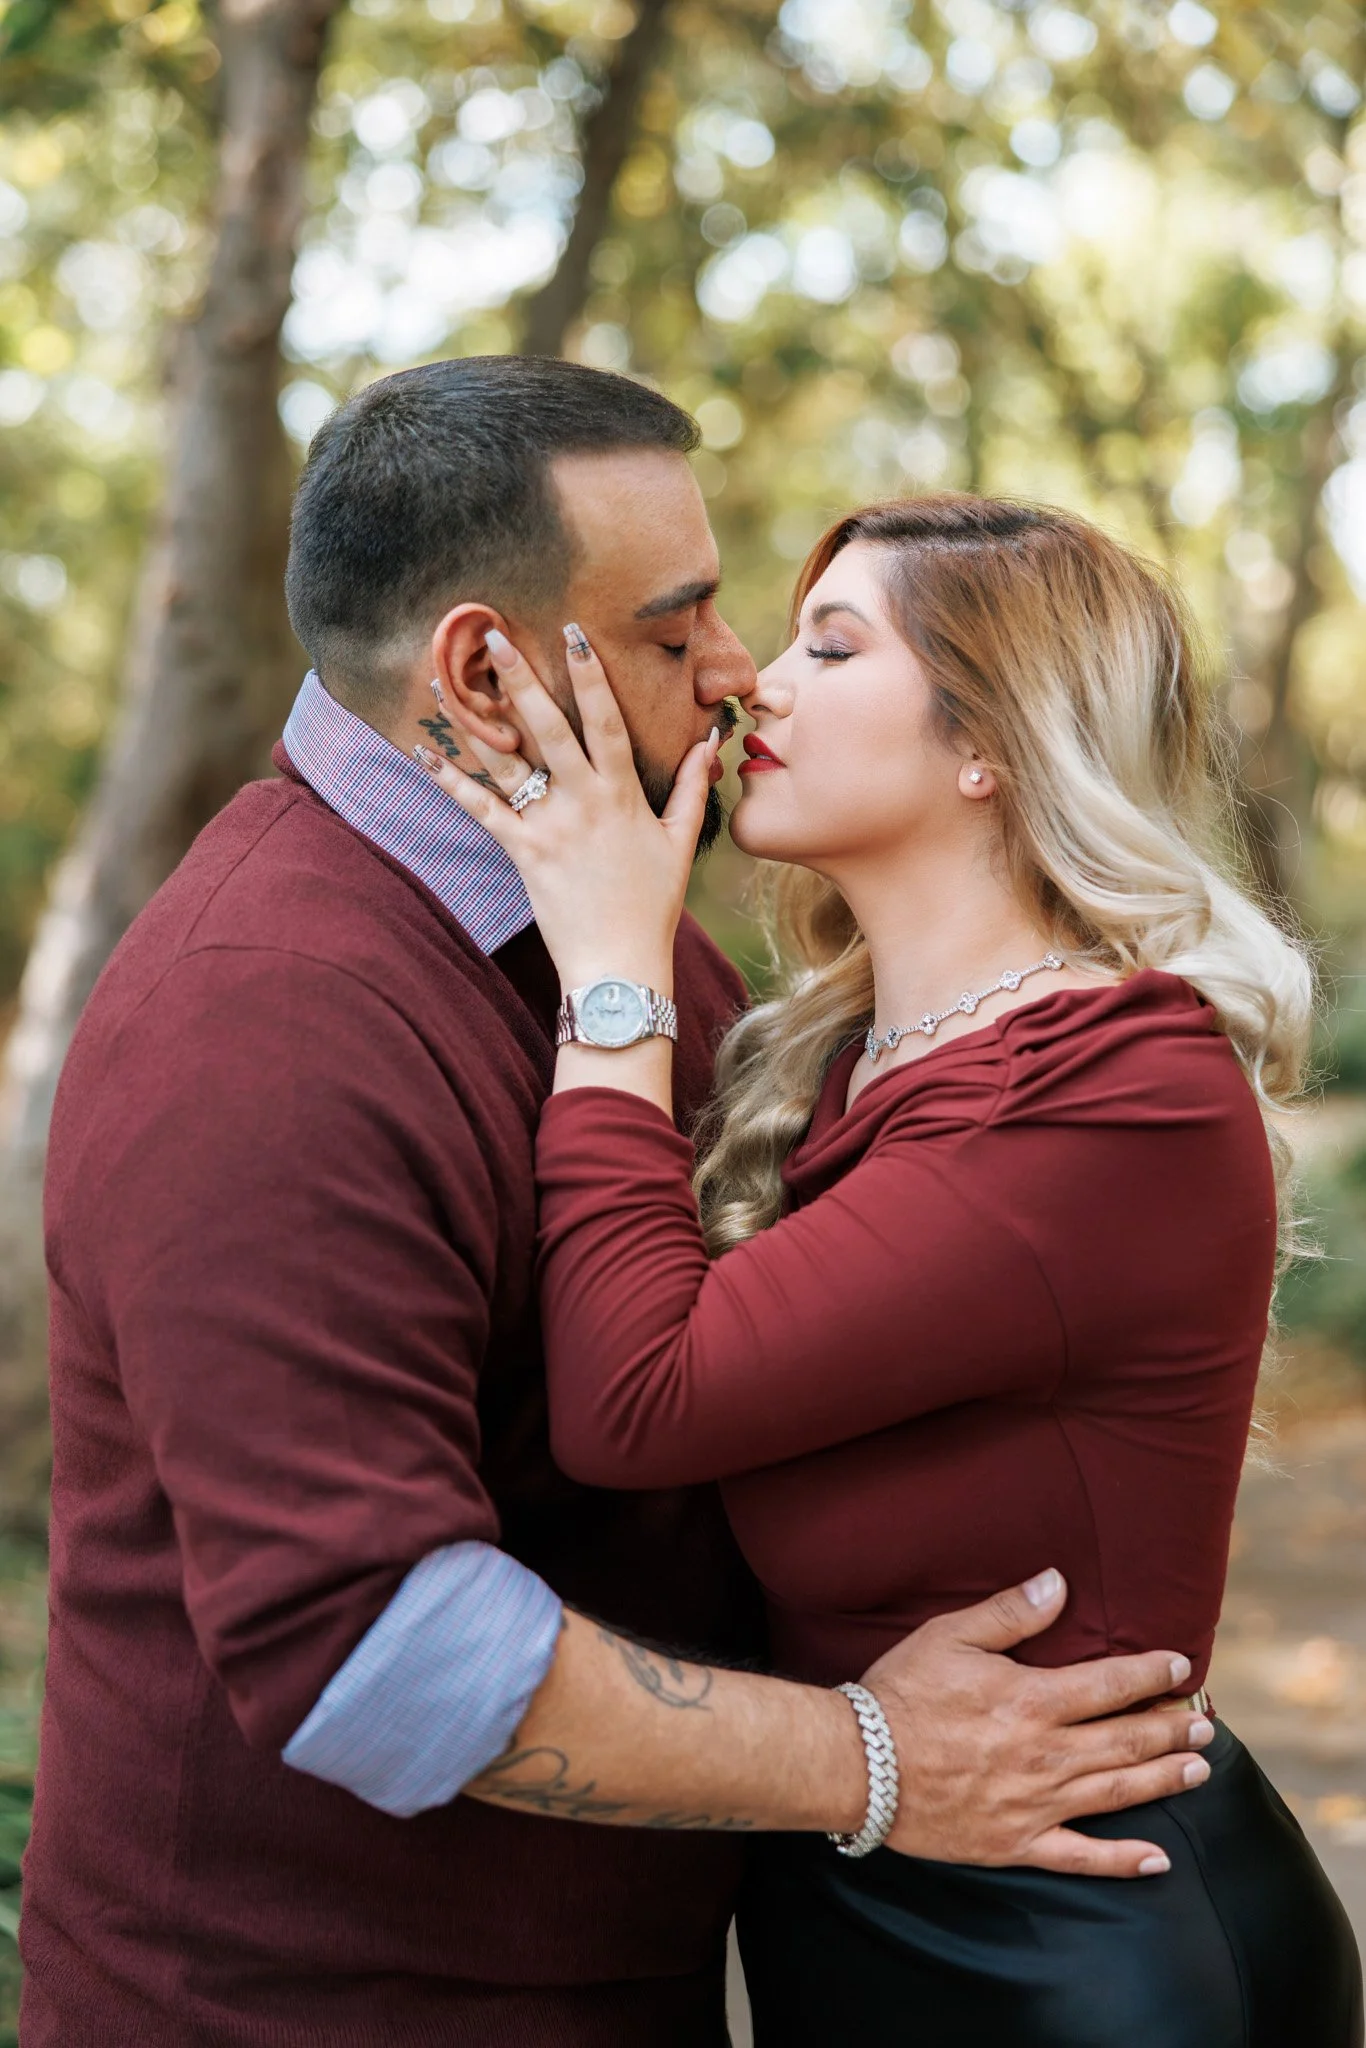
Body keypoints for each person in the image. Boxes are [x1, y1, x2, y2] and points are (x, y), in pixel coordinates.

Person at [22, 362, 1211, 2048]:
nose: (736, 675)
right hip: (310, 2012)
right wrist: (874, 1761)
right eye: (680, 630)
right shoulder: (266, 1018)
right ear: (482, 670)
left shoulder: (622, 936)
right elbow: (377, 1651)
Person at [421, 489, 1365, 2047]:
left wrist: (607, 980)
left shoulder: (1111, 1083)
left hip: (1079, 1947)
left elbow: (639, 1399)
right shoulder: (847, 1067)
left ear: (985, 740)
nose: (754, 683)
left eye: (829, 645)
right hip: (875, 1899)